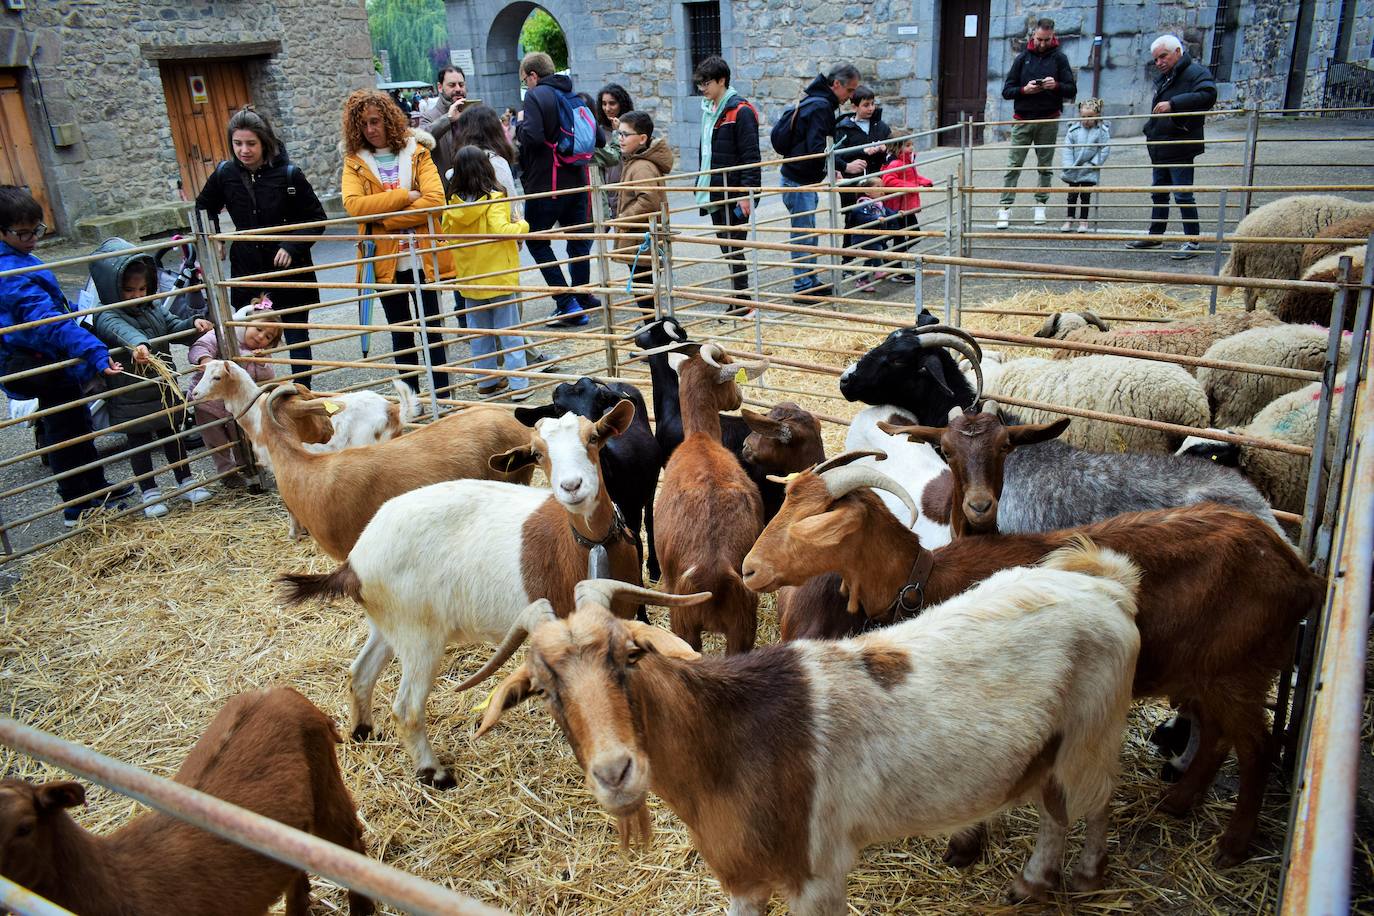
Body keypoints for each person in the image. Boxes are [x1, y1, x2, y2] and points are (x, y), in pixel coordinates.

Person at [0, 186, 134, 526]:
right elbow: (47, 321)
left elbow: (56, 308)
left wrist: (80, 313)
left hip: (50, 353)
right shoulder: (8, 274)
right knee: (63, 427)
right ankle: (77, 505)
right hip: (35, 360)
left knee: (79, 419)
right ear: (2, 232)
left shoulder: (20, 258)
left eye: (36, 230)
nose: (32, 239)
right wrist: (92, 348)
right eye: (23, 233)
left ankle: (96, 486)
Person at [195, 107, 327, 386]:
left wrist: (291, 245)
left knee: (295, 336)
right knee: (245, 337)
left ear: (264, 143)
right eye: (237, 143)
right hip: (248, 268)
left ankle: (301, 393)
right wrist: (214, 238)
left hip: (288, 270)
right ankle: (251, 398)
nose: (244, 150)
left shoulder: (290, 175)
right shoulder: (225, 173)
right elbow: (203, 206)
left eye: (251, 143)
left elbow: (316, 218)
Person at [341, 88, 455, 397]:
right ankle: (412, 402)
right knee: (401, 333)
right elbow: (354, 206)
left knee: (432, 330)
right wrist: (406, 196)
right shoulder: (355, 162)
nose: (371, 130)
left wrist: (387, 220)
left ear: (389, 119)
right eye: (363, 125)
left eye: (376, 121)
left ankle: (443, 397)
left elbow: (435, 199)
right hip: (385, 262)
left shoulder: (417, 151)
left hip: (423, 257)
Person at [89, 239, 215, 518]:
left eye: (143, 289)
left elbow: (172, 327)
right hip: (131, 391)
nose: (137, 295)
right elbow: (120, 331)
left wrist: (192, 326)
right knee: (140, 443)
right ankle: (150, 492)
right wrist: (139, 345)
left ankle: (186, 481)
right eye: (129, 290)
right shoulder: (106, 314)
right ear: (113, 289)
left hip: (162, 386)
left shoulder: (153, 308)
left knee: (173, 433)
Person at [515, 51, 606, 328]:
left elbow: (532, 136)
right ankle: (581, 294)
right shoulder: (576, 96)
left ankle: (567, 303)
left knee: (537, 241)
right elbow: (599, 138)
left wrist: (518, 126)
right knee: (578, 239)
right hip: (578, 183)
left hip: (547, 184)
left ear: (533, 75)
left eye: (525, 80)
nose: (526, 86)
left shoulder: (536, 96)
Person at [455, 104, 550, 366]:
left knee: (481, 326)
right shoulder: (496, 163)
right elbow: (511, 204)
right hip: (498, 258)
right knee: (509, 317)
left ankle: (487, 377)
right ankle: (520, 377)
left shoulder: (457, 170)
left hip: (470, 266)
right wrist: (520, 230)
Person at [441, 146, 532, 400]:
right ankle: (519, 384)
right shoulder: (494, 198)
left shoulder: (452, 204)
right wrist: (522, 225)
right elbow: (502, 229)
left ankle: (486, 383)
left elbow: (446, 235)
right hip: (499, 276)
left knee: (479, 334)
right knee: (509, 332)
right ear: (485, 167)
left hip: (471, 279)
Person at [1128, 34, 1217, 260]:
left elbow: (1208, 95)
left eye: (1163, 57)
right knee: (1159, 193)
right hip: (1161, 144)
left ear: (1177, 52)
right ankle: (1155, 234)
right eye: (1156, 59)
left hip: (1180, 143)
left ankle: (1192, 240)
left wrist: (1174, 104)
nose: (1159, 63)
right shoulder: (1169, 77)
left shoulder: (1195, 73)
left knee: (1183, 194)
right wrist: (1151, 128)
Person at [777, 63, 860, 302]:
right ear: (836, 85)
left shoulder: (818, 102)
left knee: (809, 232)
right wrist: (843, 166)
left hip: (803, 177)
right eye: (850, 90)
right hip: (799, 179)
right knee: (804, 234)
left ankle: (809, 281)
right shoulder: (822, 106)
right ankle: (803, 286)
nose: (851, 96)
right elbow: (818, 147)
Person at [186, 299, 282, 487]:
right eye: (259, 329)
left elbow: (267, 375)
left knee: (241, 437)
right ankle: (227, 472)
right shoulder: (222, 335)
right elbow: (199, 346)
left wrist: (261, 362)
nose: (261, 337)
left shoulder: (258, 352)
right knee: (216, 441)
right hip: (209, 403)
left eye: (269, 337)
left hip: (237, 406)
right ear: (246, 323)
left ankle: (247, 467)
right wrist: (206, 361)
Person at [693, 55, 761, 314]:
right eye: (700, 84)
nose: (702, 88)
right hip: (715, 188)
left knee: (734, 245)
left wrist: (746, 194)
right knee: (727, 245)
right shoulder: (709, 111)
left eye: (706, 83)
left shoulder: (740, 111)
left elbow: (750, 156)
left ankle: (743, 301)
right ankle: (739, 298)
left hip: (732, 190)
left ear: (722, 80)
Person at [996, 18, 1077, 229]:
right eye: (1039, 39)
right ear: (1033, 35)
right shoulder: (1022, 58)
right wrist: (1025, 90)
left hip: (1049, 119)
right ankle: (1004, 208)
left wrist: (1056, 85)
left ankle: (1040, 205)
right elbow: (1006, 91)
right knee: (1014, 165)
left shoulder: (1060, 59)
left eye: (1047, 40)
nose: (1042, 44)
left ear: (1053, 37)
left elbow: (1071, 90)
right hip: (1023, 120)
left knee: (1045, 167)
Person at [612, 110, 676, 317]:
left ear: (642, 139)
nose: (620, 139)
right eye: (619, 134)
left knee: (646, 295)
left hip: (642, 241)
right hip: (641, 240)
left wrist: (624, 217)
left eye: (625, 134)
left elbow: (648, 199)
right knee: (645, 293)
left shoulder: (641, 166)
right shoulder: (635, 161)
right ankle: (655, 336)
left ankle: (657, 338)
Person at [878, 137, 935, 283]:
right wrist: (910, 186)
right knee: (904, 238)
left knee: (912, 235)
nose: (911, 148)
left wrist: (923, 181)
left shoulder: (907, 162)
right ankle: (895, 265)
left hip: (906, 206)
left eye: (912, 145)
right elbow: (888, 180)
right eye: (907, 145)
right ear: (898, 147)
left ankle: (892, 260)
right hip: (898, 208)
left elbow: (913, 177)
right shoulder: (896, 163)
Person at [1059, 98, 1110, 233]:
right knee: (1072, 195)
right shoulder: (1073, 130)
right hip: (1074, 168)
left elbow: (1104, 149)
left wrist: (1094, 163)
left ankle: (1084, 220)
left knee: (1085, 195)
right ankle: (1069, 218)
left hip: (1089, 168)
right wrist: (1068, 164)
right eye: (1083, 117)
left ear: (1097, 116)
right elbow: (1067, 148)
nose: (1086, 120)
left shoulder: (1102, 131)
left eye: (1090, 117)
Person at [417, 66, 469, 191]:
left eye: (461, 85)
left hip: (474, 192)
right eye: (452, 85)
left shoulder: (472, 113)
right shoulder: (428, 117)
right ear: (440, 87)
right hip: (445, 192)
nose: (458, 89)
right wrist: (448, 119)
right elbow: (422, 139)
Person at [596, 83, 635, 218]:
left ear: (621, 104)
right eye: (604, 104)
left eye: (612, 103)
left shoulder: (633, 127)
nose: (607, 108)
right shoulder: (599, 131)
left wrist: (620, 130)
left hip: (626, 189)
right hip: (605, 192)